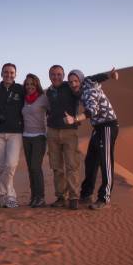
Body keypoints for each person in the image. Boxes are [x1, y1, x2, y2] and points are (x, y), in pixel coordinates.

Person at [65, 68, 119, 210]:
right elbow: (97, 77)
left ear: (80, 81)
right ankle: (87, 195)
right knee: (91, 161)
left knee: (105, 161)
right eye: (70, 82)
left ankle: (104, 198)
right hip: (98, 128)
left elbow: (92, 111)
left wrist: (75, 119)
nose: (73, 84)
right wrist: (109, 75)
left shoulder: (88, 92)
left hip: (108, 125)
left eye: (75, 81)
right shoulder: (87, 83)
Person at [45, 65, 81, 210]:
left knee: (72, 165)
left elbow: (81, 90)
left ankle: (74, 197)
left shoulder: (70, 87)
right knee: (56, 166)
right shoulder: (49, 92)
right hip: (53, 131)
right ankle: (61, 196)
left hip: (69, 132)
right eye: (53, 74)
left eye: (59, 74)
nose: (56, 77)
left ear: (63, 75)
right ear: (49, 76)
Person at [0, 63, 25, 208]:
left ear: (15, 74)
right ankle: (10, 196)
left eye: (11, 72)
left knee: (11, 164)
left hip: (15, 133)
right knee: (2, 167)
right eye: (6, 72)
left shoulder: (20, 90)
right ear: (1, 73)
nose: (9, 75)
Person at [21, 73, 50, 208]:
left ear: (37, 84)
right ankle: (34, 197)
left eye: (32, 84)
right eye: (27, 84)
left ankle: (41, 197)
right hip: (26, 137)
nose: (29, 86)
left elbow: (52, 111)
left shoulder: (43, 98)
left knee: (35, 167)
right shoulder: (24, 99)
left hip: (39, 136)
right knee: (30, 168)